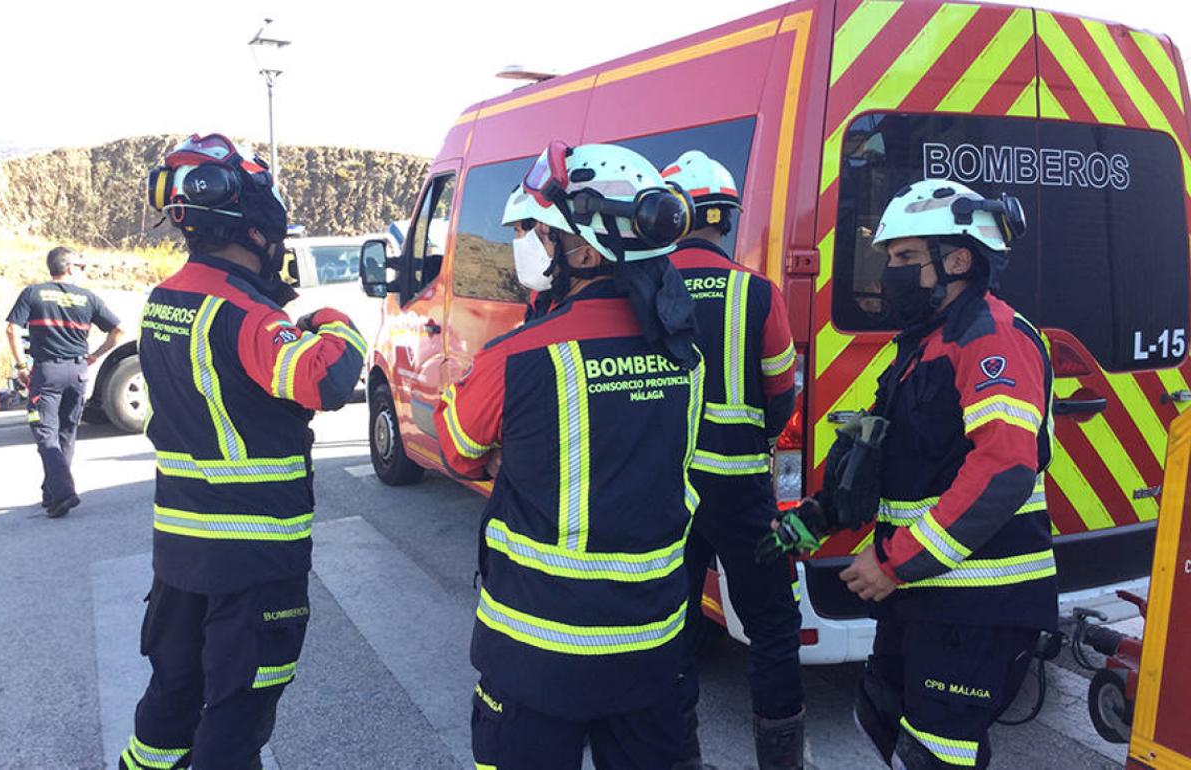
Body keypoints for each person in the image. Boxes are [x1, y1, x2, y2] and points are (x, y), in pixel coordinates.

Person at [761, 179, 1054, 769]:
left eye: (903, 258)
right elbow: (886, 455)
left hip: (977, 604)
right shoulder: (925, 344)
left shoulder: (993, 338)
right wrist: (817, 517)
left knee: (934, 755)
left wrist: (895, 561)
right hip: (924, 596)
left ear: (958, 260)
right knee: (878, 714)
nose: (888, 270)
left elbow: (1004, 468)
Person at [436, 141, 704, 770]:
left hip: (537, 651)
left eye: (536, 228)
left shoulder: (519, 354)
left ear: (584, 250)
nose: (523, 241)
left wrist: (514, 453)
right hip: (652, 642)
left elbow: (457, 447)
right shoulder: (683, 351)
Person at [120, 133, 366, 769]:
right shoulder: (246, 313)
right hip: (253, 560)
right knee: (237, 714)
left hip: (180, 551)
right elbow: (325, 378)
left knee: (171, 699)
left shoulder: (164, 300)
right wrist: (336, 321)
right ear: (253, 228)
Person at [661, 151, 803, 769]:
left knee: (669, 629)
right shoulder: (759, 293)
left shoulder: (649, 289)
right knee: (772, 627)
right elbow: (782, 396)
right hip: (745, 492)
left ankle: (675, 754)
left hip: (669, 494)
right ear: (725, 217)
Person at [5, 246, 124, 518]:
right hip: (78, 372)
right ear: (69, 268)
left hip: (46, 374)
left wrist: (21, 365)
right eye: (81, 266)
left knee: (45, 433)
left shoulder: (33, 293)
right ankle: (52, 493)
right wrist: (95, 356)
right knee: (66, 435)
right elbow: (119, 330)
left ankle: (64, 492)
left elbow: (12, 328)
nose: (82, 271)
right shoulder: (88, 298)